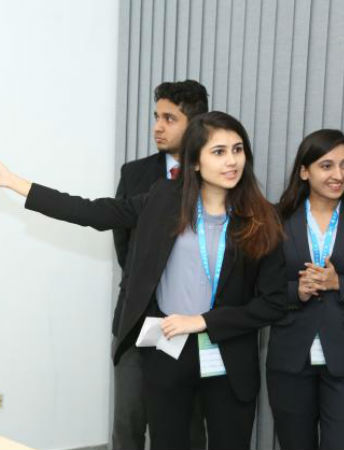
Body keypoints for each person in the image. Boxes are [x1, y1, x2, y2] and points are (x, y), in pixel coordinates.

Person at [0, 111, 288, 450]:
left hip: (229, 355)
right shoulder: (164, 198)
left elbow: (274, 303)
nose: (232, 161)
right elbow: (93, 212)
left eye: (237, 150)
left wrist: (204, 321)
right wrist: (14, 182)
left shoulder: (262, 217)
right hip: (169, 347)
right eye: (219, 152)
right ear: (195, 162)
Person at [266, 129, 344, 450]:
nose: (339, 175)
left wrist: (341, 284)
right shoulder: (276, 219)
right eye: (327, 166)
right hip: (289, 358)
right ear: (304, 172)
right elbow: (256, 288)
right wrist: (296, 291)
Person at [113, 80, 208, 450]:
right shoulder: (134, 174)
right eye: (156, 117)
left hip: (189, 320)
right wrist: (146, 285)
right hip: (138, 316)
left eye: (170, 118)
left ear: (194, 125)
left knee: (187, 424)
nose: (157, 127)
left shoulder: (212, 175)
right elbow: (123, 241)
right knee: (129, 418)